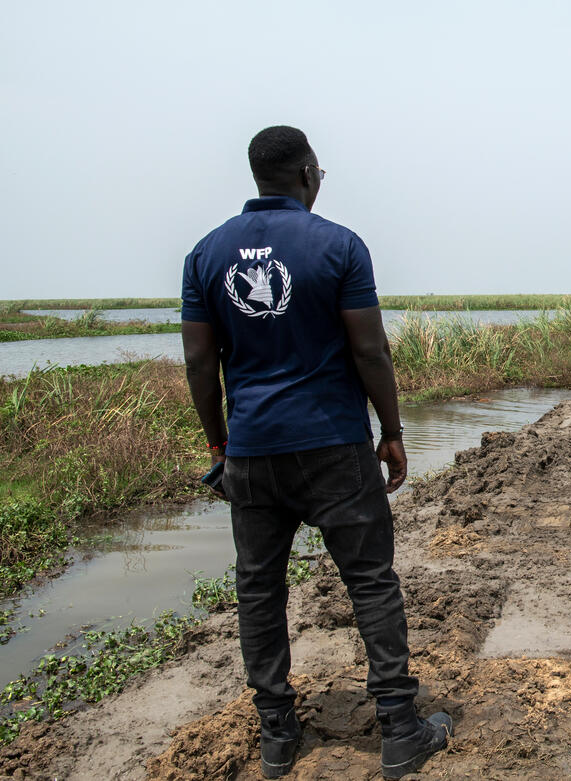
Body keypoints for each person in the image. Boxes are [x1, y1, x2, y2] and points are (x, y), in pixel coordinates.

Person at [181, 126, 451, 779]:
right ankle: (398, 729)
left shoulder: (205, 254)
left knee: (258, 587)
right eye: (318, 171)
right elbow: (369, 350)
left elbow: (198, 357)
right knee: (370, 581)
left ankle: (277, 735)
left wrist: (220, 442)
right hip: (333, 444)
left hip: (252, 450)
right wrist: (391, 431)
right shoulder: (340, 246)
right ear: (308, 175)